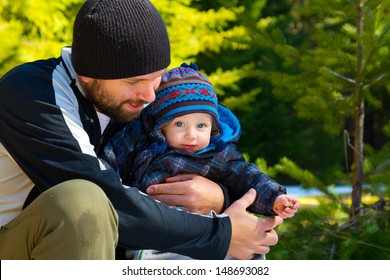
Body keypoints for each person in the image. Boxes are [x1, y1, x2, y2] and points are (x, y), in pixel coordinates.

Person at [0, 0, 282, 260]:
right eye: (133, 81)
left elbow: (190, 166)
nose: (149, 95)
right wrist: (221, 234)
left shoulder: (134, 103)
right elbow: (111, 201)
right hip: (14, 243)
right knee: (82, 201)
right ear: (88, 74)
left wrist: (220, 198)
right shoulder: (31, 94)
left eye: (157, 78)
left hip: (90, 245)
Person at [101, 62, 299, 259]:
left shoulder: (219, 155)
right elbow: (107, 164)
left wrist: (274, 198)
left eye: (201, 125)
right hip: (156, 233)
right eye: (179, 124)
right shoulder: (141, 145)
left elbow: (249, 178)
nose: (191, 135)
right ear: (160, 126)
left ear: (213, 127)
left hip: (210, 229)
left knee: (248, 254)